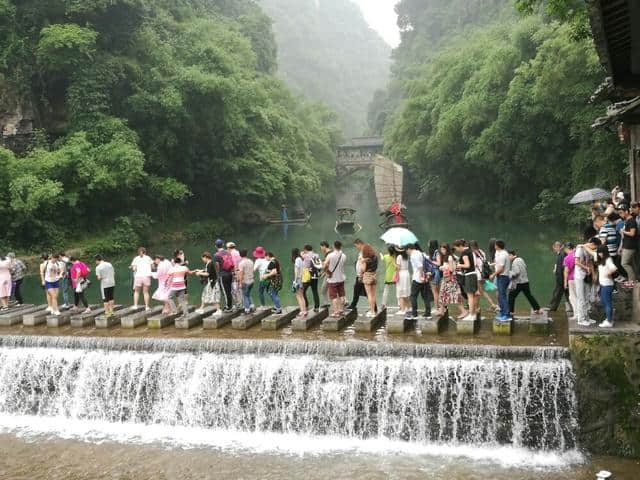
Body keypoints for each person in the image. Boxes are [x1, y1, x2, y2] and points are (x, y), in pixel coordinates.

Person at [574, 237, 601, 326]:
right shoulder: (580, 249)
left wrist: (593, 275)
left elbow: (590, 262)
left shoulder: (588, 250)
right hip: (579, 276)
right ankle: (580, 319)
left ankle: (586, 317)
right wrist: (586, 268)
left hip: (586, 276)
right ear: (593, 244)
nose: (595, 249)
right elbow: (576, 262)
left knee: (586, 297)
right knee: (581, 298)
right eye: (595, 247)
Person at [507, 251, 542, 316]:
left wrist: (510, 274)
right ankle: (538, 309)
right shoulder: (521, 259)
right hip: (525, 281)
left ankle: (510, 312)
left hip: (519, 283)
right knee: (529, 296)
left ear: (511, 255)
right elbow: (525, 267)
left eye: (508, 256)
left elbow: (516, 272)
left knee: (511, 296)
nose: (508, 258)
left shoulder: (514, 262)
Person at [437, 243, 466, 318]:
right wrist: (442, 267)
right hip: (446, 279)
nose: (442, 251)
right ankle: (441, 310)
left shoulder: (450, 257)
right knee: (442, 294)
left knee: (454, 296)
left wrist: (443, 268)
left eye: (443, 249)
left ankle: (464, 311)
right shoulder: (446, 257)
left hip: (450, 279)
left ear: (447, 249)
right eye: (441, 249)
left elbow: (451, 269)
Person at [469, 240, 497, 312]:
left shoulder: (472, 253)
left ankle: (492, 305)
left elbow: (474, 264)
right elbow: (484, 262)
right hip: (483, 274)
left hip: (477, 275)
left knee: (479, 291)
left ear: (471, 246)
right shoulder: (481, 252)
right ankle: (478, 307)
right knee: (480, 291)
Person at [454, 240, 478, 321]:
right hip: (473, 274)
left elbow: (467, 265)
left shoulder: (464, 253)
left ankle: (471, 315)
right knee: (473, 296)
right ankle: (473, 314)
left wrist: (459, 265)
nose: (456, 250)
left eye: (456, 248)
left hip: (469, 275)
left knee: (470, 296)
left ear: (460, 246)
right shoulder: (469, 250)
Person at [407, 244, 431, 319]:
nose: (407, 252)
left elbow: (420, 266)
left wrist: (421, 276)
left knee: (413, 296)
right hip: (424, 277)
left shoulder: (413, 255)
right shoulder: (420, 253)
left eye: (406, 250)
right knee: (425, 296)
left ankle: (414, 313)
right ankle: (428, 313)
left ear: (409, 249)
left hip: (418, 278)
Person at [489, 240, 511, 321]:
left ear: (497, 246)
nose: (494, 246)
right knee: (500, 296)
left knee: (502, 296)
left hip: (503, 277)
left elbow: (501, 269)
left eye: (495, 245)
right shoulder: (498, 252)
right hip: (499, 276)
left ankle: (507, 315)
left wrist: (493, 275)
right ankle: (502, 312)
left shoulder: (503, 254)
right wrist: (490, 265)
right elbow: (497, 263)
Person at [599, 212, 624, 281]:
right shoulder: (613, 226)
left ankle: (614, 287)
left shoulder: (604, 227)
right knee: (614, 267)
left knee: (610, 269)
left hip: (609, 252)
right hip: (614, 251)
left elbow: (602, 241)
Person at [324, 240, 347, 317]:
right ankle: (342, 310)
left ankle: (336, 312)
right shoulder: (343, 255)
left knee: (333, 296)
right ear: (340, 246)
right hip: (341, 278)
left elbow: (325, 265)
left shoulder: (330, 255)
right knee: (342, 295)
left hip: (332, 279)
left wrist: (326, 269)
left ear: (334, 246)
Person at [596, 244, 617, 328]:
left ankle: (609, 321)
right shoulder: (602, 260)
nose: (599, 254)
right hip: (603, 284)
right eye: (598, 253)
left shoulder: (608, 259)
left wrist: (607, 274)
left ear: (605, 252)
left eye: (601, 252)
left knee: (607, 303)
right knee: (604, 302)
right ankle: (609, 319)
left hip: (607, 285)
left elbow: (614, 268)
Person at [549, 241, 571, 312]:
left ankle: (552, 307)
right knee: (567, 294)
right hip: (562, 278)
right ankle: (572, 307)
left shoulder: (562, 254)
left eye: (555, 248)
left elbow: (563, 267)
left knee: (557, 293)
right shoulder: (561, 254)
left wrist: (562, 280)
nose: (554, 249)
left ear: (558, 247)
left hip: (561, 278)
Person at [618, 204, 637, 285]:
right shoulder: (627, 221)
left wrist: (623, 231)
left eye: (621, 212)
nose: (620, 214)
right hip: (627, 245)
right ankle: (633, 280)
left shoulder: (632, 221)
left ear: (626, 212)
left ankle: (632, 280)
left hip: (630, 246)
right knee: (630, 263)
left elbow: (632, 233)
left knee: (624, 263)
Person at [167, 253, 191, 318]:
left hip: (175, 286)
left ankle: (174, 311)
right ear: (180, 262)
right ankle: (186, 314)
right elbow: (189, 273)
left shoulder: (172, 269)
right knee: (182, 300)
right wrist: (195, 271)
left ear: (174, 262)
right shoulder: (184, 267)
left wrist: (166, 282)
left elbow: (168, 277)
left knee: (169, 297)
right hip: (182, 286)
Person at [348, 239, 368, 311]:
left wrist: (361, 275)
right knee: (357, 290)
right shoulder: (361, 252)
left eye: (356, 246)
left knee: (367, 292)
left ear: (359, 244)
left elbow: (364, 264)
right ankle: (353, 305)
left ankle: (373, 307)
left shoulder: (364, 252)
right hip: (359, 275)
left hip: (362, 275)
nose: (356, 247)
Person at [214, 239, 234, 311]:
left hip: (223, 275)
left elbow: (217, 266)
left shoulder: (216, 255)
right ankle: (230, 305)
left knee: (225, 291)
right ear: (223, 244)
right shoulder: (228, 252)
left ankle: (228, 307)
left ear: (216, 246)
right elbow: (232, 263)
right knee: (229, 290)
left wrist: (217, 275)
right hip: (230, 273)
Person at [359, 243, 378, 317]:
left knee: (369, 295)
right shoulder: (375, 257)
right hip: (374, 275)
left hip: (367, 275)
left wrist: (361, 262)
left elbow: (363, 269)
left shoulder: (365, 259)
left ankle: (372, 312)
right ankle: (373, 311)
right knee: (373, 294)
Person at [302, 244, 321, 312]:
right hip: (315, 275)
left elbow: (304, 265)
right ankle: (316, 307)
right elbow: (318, 265)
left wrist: (302, 253)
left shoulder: (304, 255)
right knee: (315, 291)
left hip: (307, 275)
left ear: (305, 249)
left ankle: (306, 305)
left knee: (302, 291)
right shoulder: (316, 255)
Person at [563, 243, 577, 319]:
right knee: (579, 297)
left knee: (572, 297)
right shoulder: (577, 255)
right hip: (579, 278)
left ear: (567, 249)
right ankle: (581, 314)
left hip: (571, 279)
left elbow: (566, 271)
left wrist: (565, 282)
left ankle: (576, 314)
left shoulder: (567, 258)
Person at [238, 249, 255, 314]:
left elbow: (241, 274)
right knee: (248, 294)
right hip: (251, 281)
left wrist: (240, 283)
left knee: (244, 295)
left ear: (240, 255)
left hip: (245, 282)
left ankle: (247, 309)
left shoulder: (241, 263)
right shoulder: (251, 261)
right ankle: (252, 306)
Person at [291, 248, 307, 317]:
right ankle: (304, 310)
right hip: (302, 279)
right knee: (301, 296)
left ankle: (302, 311)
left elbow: (297, 271)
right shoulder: (301, 259)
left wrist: (295, 281)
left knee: (298, 296)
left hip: (298, 280)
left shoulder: (297, 259)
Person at [395, 247, 411, 314]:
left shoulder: (399, 257)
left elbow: (398, 268)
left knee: (400, 292)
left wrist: (397, 276)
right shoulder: (407, 256)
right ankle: (408, 307)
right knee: (406, 292)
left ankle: (402, 310)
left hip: (401, 274)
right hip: (407, 273)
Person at [427, 240, 441, 314]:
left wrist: (430, 261)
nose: (428, 244)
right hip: (435, 272)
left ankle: (436, 307)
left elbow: (439, 263)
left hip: (435, 272)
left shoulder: (436, 252)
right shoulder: (435, 252)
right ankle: (438, 306)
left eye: (429, 243)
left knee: (435, 291)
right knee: (436, 291)